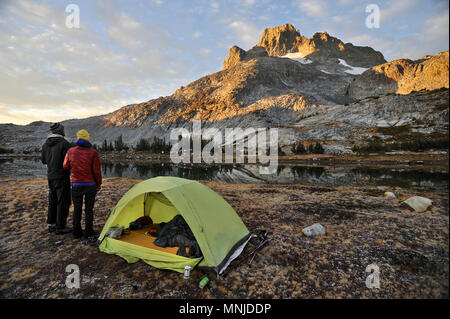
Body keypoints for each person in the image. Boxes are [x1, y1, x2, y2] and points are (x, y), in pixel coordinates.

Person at [63, 129, 102, 242]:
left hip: (76, 184)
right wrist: (98, 184)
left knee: (77, 208)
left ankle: (76, 232)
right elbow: (96, 171)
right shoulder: (93, 152)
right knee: (89, 209)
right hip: (90, 185)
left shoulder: (70, 151)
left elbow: (65, 166)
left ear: (78, 138)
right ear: (87, 138)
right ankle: (89, 231)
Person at [41, 122, 72, 234]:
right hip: (62, 176)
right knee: (63, 201)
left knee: (53, 200)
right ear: (60, 131)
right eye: (63, 129)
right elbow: (69, 162)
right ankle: (61, 226)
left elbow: (44, 160)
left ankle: (52, 224)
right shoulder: (64, 144)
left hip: (51, 176)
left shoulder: (45, 145)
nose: (64, 131)